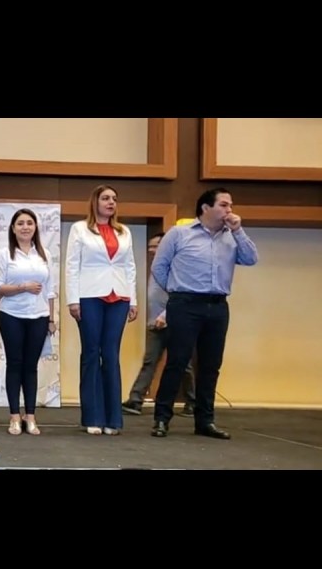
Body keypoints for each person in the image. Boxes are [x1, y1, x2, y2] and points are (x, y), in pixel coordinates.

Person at [150, 188, 258, 439]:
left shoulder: (231, 236)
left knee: (211, 365)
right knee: (177, 361)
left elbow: (251, 259)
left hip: (218, 305)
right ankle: (162, 418)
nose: (229, 210)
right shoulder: (179, 234)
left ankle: (205, 421)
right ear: (206, 208)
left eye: (230, 205)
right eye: (224, 205)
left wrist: (239, 231)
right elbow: (159, 267)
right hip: (185, 303)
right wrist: (176, 291)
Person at [65, 185, 138, 436]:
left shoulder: (124, 231)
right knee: (91, 353)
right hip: (89, 296)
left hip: (119, 296)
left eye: (114, 199)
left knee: (111, 354)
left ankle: (113, 419)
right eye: (105, 198)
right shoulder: (80, 229)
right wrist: (73, 300)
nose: (111, 202)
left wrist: (133, 300)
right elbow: (72, 266)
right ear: (95, 201)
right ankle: (92, 416)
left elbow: (130, 267)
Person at [0, 209, 56, 436]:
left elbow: (50, 291)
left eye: (29, 223)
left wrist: (51, 318)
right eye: (20, 223)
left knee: (31, 366)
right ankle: (14, 416)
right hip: (11, 315)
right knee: (15, 364)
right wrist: (22, 287)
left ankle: (30, 416)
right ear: (13, 228)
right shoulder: (5, 254)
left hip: (39, 316)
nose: (25, 227)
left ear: (35, 227)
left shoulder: (44, 254)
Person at [122, 232, 196, 417]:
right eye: (150, 246)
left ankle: (193, 402)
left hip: (175, 321)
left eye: (155, 246)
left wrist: (165, 315)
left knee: (182, 363)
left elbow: (179, 295)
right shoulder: (156, 267)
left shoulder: (177, 267)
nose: (151, 250)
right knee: (150, 361)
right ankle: (135, 400)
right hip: (155, 324)